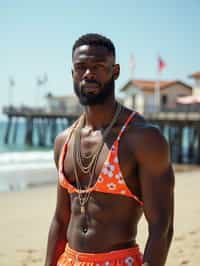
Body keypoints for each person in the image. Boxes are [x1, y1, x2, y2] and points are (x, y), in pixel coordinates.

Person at [45, 33, 174, 266]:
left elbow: (161, 227)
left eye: (98, 66)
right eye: (81, 66)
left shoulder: (142, 138)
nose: (88, 73)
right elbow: (60, 220)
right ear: (72, 73)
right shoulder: (64, 141)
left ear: (115, 72)